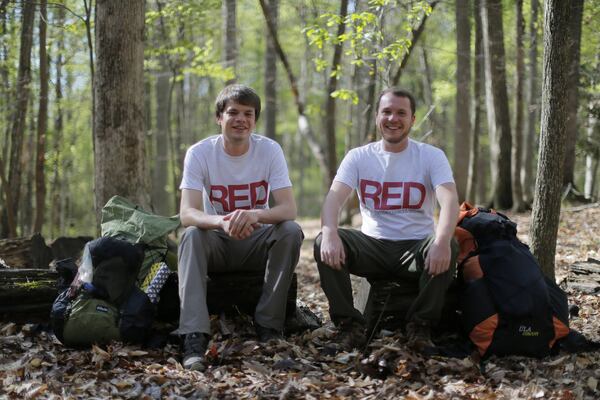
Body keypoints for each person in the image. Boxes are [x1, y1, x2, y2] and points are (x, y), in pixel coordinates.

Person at [314, 88, 459, 351]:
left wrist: (441, 240)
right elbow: (333, 199)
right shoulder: (359, 156)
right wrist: (330, 233)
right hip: (372, 247)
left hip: (414, 248)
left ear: (413, 119)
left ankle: (420, 329)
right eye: (387, 112)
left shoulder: (430, 156)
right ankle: (350, 327)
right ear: (377, 117)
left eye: (401, 113)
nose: (393, 118)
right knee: (322, 239)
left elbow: (449, 201)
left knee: (449, 243)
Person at [177, 84, 303, 371]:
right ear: (219, 117)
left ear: (255, 120)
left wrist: (253, 215)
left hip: (255, 241)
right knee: (191, 235)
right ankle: (193, 336)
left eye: (248, 113)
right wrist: (222, 220)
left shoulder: (270, 150)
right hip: (217, 243)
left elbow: (288, 209)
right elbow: (187, 213)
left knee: (291, 231)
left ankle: (269, 326)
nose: (241, 119)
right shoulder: (199, 153)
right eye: (233, 112)